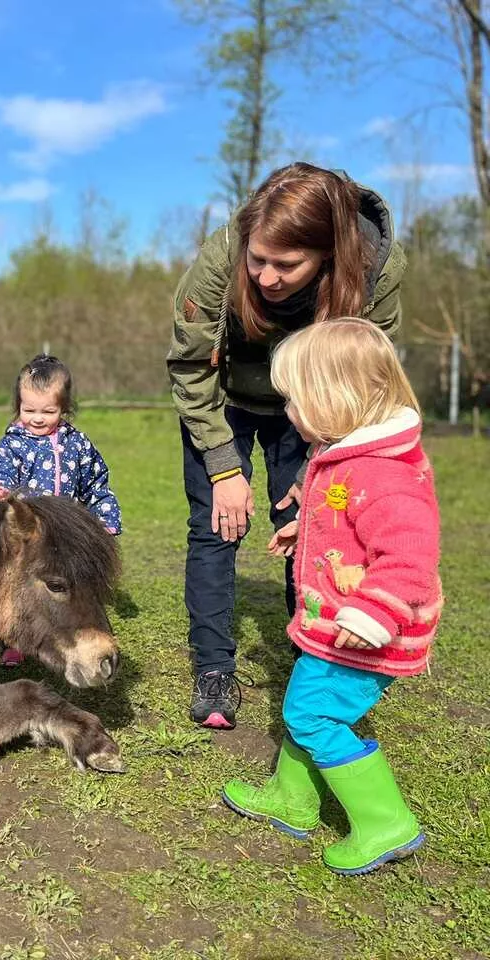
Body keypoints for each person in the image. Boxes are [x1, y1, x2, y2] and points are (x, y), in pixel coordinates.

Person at [167, 162, 406, 729]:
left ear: (327, 254)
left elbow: (368, 377)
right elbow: (190, 366)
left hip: (315, 407)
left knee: (317, 530)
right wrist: (225, 469)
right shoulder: (222, 256)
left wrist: (323, 457)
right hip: (223, 395)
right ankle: (214, 668)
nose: (267, 276)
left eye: (287, 264)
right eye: (258, 259)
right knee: (215, 526)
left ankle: (317, 658)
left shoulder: (377, 269)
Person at [221, 318, 439, 876]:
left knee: (313, 714)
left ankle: (387, 822)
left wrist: (372, 614)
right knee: (305, 704)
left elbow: (410, 557)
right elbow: (343, 512)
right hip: (334, 624)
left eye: (295, 400)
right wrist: (306, 528)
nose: (288, 412)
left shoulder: (382, 472)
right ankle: (294, 800)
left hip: (367, 630)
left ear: (335, 397)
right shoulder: (344, 453)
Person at [0, 354, 121, 667]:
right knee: (15, 586)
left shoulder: (77, 443)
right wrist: (0, 491)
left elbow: (96, 481)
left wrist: (105, 519)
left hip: (65, 533)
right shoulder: (13, 442)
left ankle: (77, 627)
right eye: (28, 410)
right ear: (18, 406)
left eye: (48, 411)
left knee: (66, 584)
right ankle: (11, 640)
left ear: (65, 408)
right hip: (29, 534)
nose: (37, 418)